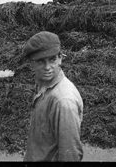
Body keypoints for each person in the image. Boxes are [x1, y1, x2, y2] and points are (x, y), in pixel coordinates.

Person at [22, 31, 83, 162]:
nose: (47, 67)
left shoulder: (64, 101)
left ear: (60, 58)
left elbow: (70, 155)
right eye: (40, 61)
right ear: (31, 63)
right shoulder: (43, 84)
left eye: (52, 59)